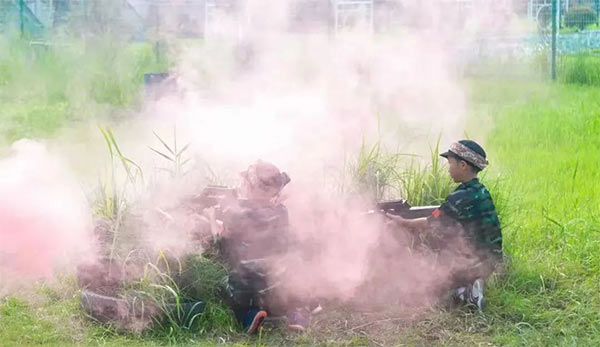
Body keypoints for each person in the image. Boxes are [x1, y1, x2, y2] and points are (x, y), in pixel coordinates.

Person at [386, 140, 502, 311]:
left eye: (450, 163)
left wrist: (402, 222)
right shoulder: (480, 191)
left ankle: (466, 292)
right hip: (490, 260)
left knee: (425, 293)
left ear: (463, 165)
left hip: (475, 261)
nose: (448, 169)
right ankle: (469, 284)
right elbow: (443, 217)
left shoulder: (460, 197)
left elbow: (429, 223)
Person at [205, 160, 309, 333]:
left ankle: (249, 315)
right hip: (277, 284)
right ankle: (294, 315)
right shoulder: (282, 211)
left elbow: (220, 245)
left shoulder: (236, 214)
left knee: (222, 284)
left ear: (251, 187)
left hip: (248, 286)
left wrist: (211, 217)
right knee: (289, 285)